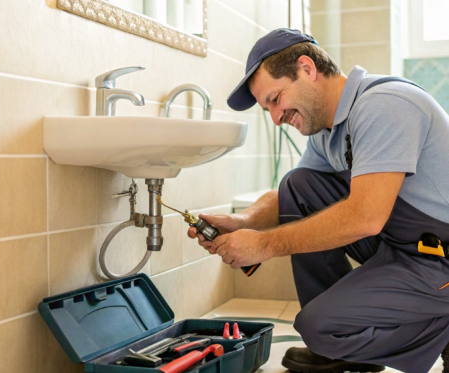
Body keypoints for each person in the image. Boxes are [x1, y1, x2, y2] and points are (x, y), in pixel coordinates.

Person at [187, 28, 449, 373]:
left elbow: (365, 217)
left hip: (439, 256)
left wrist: (263, 245)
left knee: (318, 327)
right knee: (299, 185)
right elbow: (291, 196)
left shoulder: (385, 104)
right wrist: (244, 221)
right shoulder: (327, 131)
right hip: (403, 244)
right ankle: (341, 351)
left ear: (307, 69)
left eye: (275, 99)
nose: (276, 118)